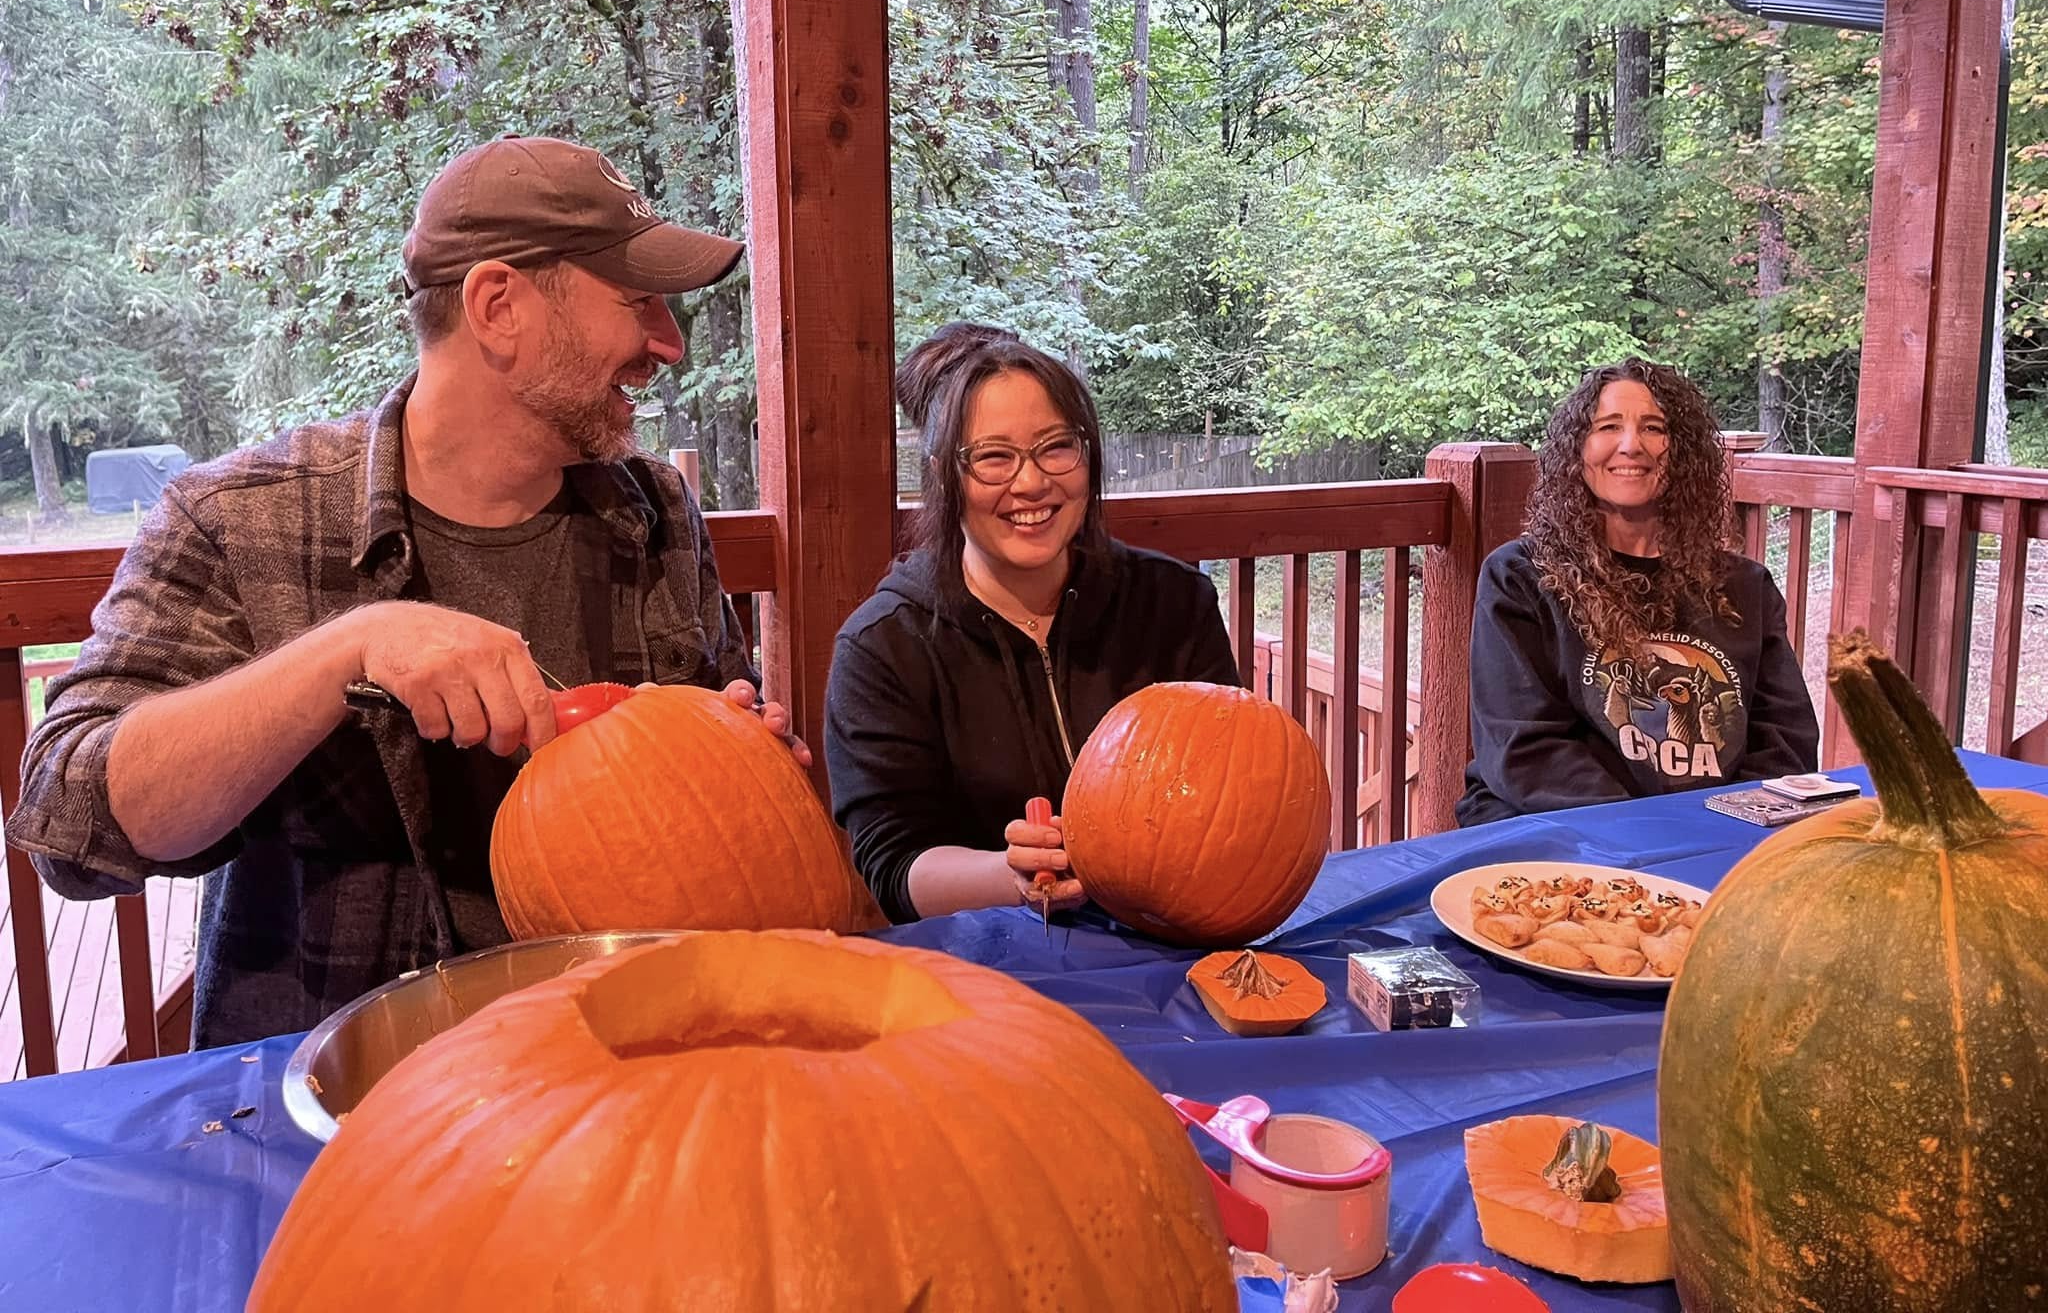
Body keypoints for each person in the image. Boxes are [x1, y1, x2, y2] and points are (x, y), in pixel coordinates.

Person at [6, 136, 801, 1047]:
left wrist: (735, 755)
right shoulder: (240, 518)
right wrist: (350, 649)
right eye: (637, 301)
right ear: (498, 306)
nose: (669, 342)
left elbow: (705, 784)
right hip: (354, 1091)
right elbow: (69, 830)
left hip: (627, 1062)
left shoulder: (654, 508)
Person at [825, 324, 1241, 923]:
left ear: (1087, 456)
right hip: (987, 968)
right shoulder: (882, 646)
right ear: (945, 475)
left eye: (1055, 447)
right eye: (994, 457)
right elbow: (892, 864)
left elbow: (1232, 777)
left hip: (1176, 934)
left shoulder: (1174, 602)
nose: (1031, 482)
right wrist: (1009, 875)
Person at [1459, 357, 1819, 826]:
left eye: (1654, 428)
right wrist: (1649, 831)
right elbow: (1523, 748)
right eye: (1607, 426)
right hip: (1556, 826)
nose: (1631, 446)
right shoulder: (1522, 577)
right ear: (1576, 449)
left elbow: (1785, 742)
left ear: (1684, 452)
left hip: (1715, 827)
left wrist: (1725, 825)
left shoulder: (1744, 588)